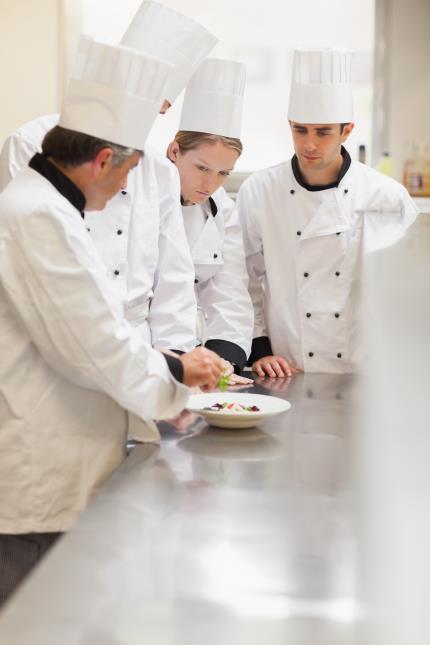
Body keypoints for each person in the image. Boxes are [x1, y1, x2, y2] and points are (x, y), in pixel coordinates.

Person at [0, 36, 222, 608]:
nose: (128, 187)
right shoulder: (38, 216)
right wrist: (175, 374)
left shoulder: (46, 206)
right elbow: (90, 342)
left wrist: (170, 368)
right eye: (127, 172)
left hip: (73, 450)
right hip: (43, 467)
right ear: (102, 160)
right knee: (38, 618)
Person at [0, 0, 218, 354]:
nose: (122, 182)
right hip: (54, 345)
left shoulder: (159, 170)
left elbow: (173, 280)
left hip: (139, 347)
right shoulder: (29, 144)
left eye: (159, 110)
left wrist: (177, 361)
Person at [236, 48, 418, 377]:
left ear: (346, 130)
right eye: (300, 130)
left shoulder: (385, 196)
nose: (309, 144)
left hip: (365, 373)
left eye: (322, 133)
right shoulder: (259, 191)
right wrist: (259, 347)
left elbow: (406, 291)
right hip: (287, 367)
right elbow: (243, 278)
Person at [167, 58, 254, 386]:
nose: (210, 184)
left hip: (189, 358)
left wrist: (221, 362)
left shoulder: (221, 208)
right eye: (202, 168)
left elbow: (229, 293)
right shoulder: (137, 197)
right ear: (174, 151)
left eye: (223, 173)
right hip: (142, 357)